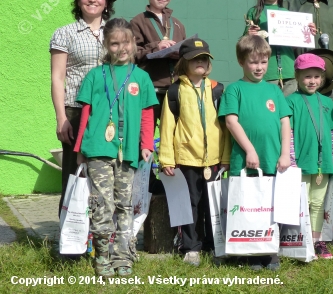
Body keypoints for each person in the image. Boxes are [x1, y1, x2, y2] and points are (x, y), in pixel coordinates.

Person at [73, 18, 158, 276]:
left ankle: (123, 255)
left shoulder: (141, 77)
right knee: (103, 203)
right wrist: (79, 150)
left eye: (126, 42)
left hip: (128, 150)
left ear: (133, 43)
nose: (121, 48)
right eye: (114, 43)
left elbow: (147, 114)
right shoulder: (95, 75)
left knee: (124, 202)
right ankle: (102, 255)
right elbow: (85, 114)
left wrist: (146, 143)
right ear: (106, 45)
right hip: (98, 148)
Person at [218, 35, 291, 271]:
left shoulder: (275, 91)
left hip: (273, 160)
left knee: (271, 206)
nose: (259, 67)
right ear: (241, 61)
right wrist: (249, 149)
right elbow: (231, 122)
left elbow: (284, 123)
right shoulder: (234, 90)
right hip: (245, 161)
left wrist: (285, 153)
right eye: (253, 62)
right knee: (249, 207)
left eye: (263, 62)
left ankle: (270, 251)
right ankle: (250, 252)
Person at [158, 38, 231, 266]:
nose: (200, 62)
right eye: (194, 59)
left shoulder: (217, 89)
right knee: (190, 205)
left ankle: (214, 245)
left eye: (204, 59)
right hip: (187, 159)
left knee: (213, 205)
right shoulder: (174, 91)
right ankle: (191, 247)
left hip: (214, 160)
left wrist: (226, 157)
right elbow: (168, 128)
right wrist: (167, 159)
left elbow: (226, 128)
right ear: (184, 62)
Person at [50, 0, 118, 217]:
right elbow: (58, 78)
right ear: (78, 1)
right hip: (77, 112)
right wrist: (61, 118)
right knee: (74, 174)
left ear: (106, 3)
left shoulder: (117, 33)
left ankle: (102, 236)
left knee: (109, 174)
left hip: (111, 112)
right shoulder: (65, 33)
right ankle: (70, 240)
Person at [286, 53, 333, 259]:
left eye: (317, 77)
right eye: (307, 76)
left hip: (324, 162)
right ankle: (301, 239)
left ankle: (317, 241)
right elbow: (288, 133)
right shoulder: (291, 101)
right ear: (297, 76)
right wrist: (291, 159)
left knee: (318, 203)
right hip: (301, 161)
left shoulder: (327, 103)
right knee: (301, 202)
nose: (312, 81)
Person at [130, 0, 187, 123]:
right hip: (150, 88)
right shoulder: (138, 21)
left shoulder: (178, 24)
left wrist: (181, 54)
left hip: (175, 88)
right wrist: (157, 47)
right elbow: (133, 54)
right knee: (144, 134)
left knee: (173, 134)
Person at [244, 0, 297, 96]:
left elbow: (296, 44)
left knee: (288, 111)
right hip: (268, 73)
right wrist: (249, 35)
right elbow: (243, 45)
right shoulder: (254, 12)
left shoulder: (287, 13)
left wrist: (306, 33)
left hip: (289, 70)